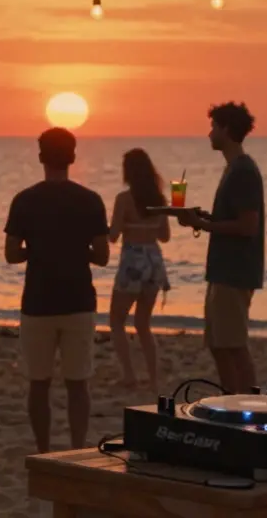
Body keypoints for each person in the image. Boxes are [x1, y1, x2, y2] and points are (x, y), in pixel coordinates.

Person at [4, 128, 109, 454]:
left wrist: (36, 251)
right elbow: (103, 256)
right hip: (78, 299)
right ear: (73, 157)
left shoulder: (25, 199)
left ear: (40, 157)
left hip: (38, 301)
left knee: (39, 383)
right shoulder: (90, 200)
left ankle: (44, 448)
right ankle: (77, 447)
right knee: (78, 383)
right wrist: (77, 251)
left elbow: (11, 253)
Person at [176, 102, 264, 395]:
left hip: (234, 271)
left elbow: (248, 226)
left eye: (213, 127)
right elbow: (235, 220)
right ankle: (232, 397)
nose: (209, 133)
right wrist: (202, 219)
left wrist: (206, 225)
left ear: (226, 129)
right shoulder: (233, 169)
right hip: (222, 269)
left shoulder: (243, 171)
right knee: (218, 343)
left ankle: (248, 401)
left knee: (234, 344)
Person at [107, 148, 171, 389]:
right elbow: (164, 236)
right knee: (143, 323)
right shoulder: (160, 200)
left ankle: (129, 375)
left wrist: (112, 225)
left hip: (133, 259)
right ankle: (153, 378)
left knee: (116, 320)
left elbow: (112, 236)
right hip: (154, 261)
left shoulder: (124, 199)